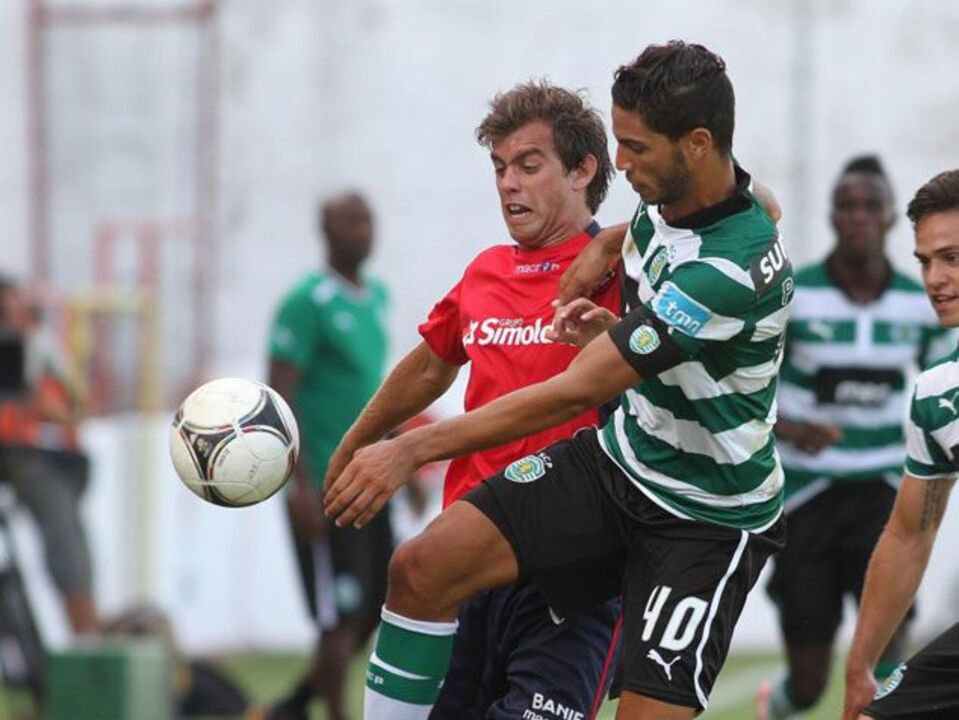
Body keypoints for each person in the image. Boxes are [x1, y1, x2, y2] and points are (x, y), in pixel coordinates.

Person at [325, 41, 793, 720]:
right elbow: (756, 199)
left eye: (634, 148)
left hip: (705, 513)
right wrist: (612, 240)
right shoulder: (679, 196)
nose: (620, 163)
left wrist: (412, 447)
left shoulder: (721, 274)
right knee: (419, 567)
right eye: (500, 168)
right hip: (620, 464)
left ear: (695, 145)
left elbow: (578, 389)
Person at [325, 81, 624, 720]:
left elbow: (753, 210)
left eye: (528, 165)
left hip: (570, 566)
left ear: (582, 170)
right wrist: (357, 440)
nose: (508, 184)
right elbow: (433, 362)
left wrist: (615, 238)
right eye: (499, 167)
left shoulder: (630, 268)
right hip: (466, 559)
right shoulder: (486, 271)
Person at [755, 156, 954, 719]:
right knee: (812, 679)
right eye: (847, 205)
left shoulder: (922, 306)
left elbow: (943, 380)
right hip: (806, 494)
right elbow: (747, 384)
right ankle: (781, 703)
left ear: (890, 217)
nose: (859, 216)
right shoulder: (795, 296)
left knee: (890, 663)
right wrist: (790, 427)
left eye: (871, 205)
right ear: (832, 217)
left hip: (886, 488)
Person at [266, 192, 391, 720]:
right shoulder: (306, 301)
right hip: (325, 484)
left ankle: (293, 705)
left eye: (367, 220)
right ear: (326, 231)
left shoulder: (377, 296)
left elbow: (373, 390)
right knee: (336, 617)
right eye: (350, 222)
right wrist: (297, 488)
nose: (362, 231)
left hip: (372, 478)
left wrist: (403, 447)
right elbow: (280, 394)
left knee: (380, 603)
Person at [842, 169, 959, 719]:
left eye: (953, 258)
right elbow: (912, 531)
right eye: (925, 261)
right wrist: (860, 665)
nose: (935, 278)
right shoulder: (938, 394)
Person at [0, 275, 99, 635]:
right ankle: (86, 639)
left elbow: (73, 404)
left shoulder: (36, 346)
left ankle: (88, 638)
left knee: (74, 549)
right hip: (24, 458)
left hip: (53, 458)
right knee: (66, 546)